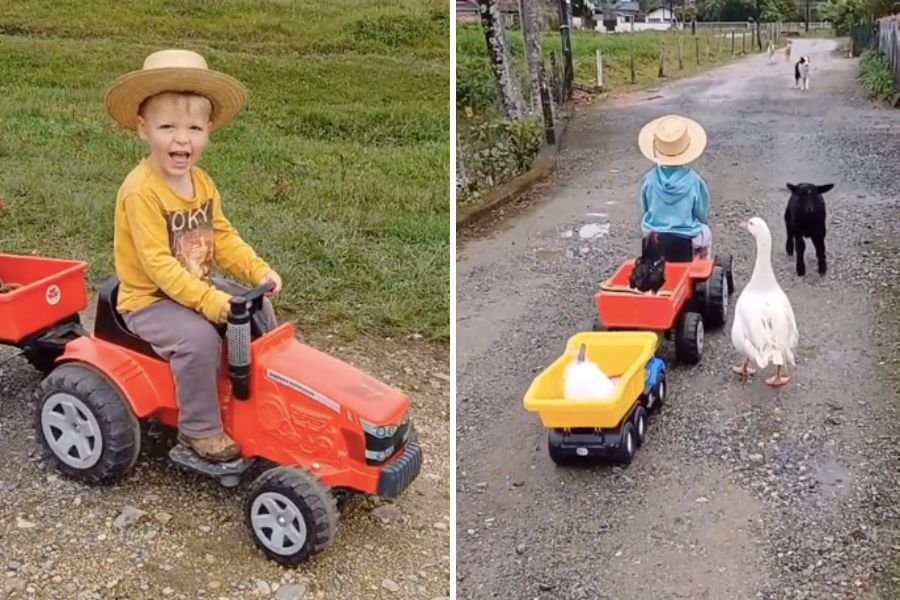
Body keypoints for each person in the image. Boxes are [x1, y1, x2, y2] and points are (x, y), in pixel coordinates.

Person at [103, 49, 283, 462]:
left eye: (194, 128)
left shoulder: (201, 182)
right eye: (167, 126)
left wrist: (258, 270)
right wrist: (210, 302)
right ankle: (198, 431)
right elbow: (159, 266)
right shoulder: (141, 191)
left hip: (193, 286)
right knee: (199, 339)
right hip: (150, 301)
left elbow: (221, 236)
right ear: (142, 129)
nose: (181, 139)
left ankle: (246, 394)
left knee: (256, 310)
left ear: (209, 131)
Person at [637, 114, 713, 263]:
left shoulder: (649, 179)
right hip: (684, 236)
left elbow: (645, 207)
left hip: (654, 234)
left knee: (647, 227)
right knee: (706, 232)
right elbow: (701, 212)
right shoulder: (694, 180)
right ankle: (703, 265)